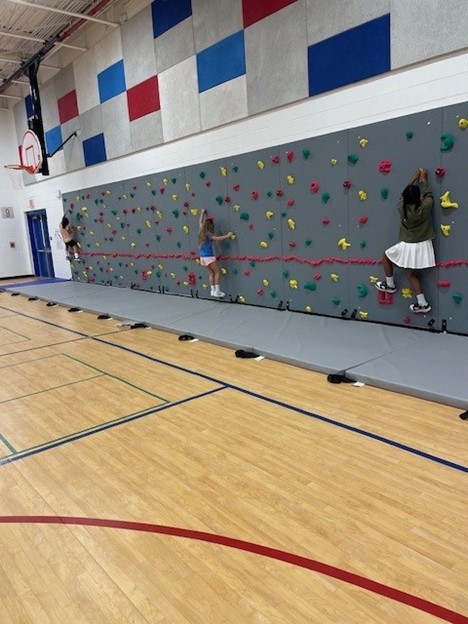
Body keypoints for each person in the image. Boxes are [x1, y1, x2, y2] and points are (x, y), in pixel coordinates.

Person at [376, 168, 435, 313]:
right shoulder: (425, 207)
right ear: (419, 198)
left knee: (386, 256)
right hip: (423, 245)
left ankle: (390, 285)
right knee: (410, 273)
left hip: (408, 245)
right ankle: (423, 304)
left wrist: (413, 179)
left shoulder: (401, 207)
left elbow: (403, 195)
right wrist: (424, 181)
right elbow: (430, 196)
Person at [198, 208, 233, 298]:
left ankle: (212, 291)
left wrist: (202, 213)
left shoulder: (201, 231)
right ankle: (217, 291)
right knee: (217, 272)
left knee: (211, 273)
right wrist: (227, 236)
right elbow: (216, 238)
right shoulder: (209, 234)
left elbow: (200, 222)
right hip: (209, 256)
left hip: (202, 257)